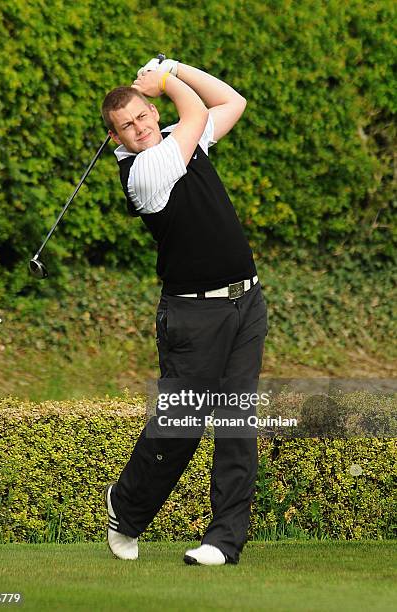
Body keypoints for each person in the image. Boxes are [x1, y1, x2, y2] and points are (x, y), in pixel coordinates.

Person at [101, 57, 268, 566]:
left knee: (237, 424)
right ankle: (126, 509)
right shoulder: (144, 171)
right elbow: (195, 116)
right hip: (193, 317)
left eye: (143, 115)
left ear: (152, 112)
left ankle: (223, 541)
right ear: (117, 141)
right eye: (127, 126)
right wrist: (168, 79)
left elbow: (230, 102)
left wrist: (178, 67)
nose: (140, 127)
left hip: (246, 303)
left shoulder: (177, 136)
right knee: (181, 427)